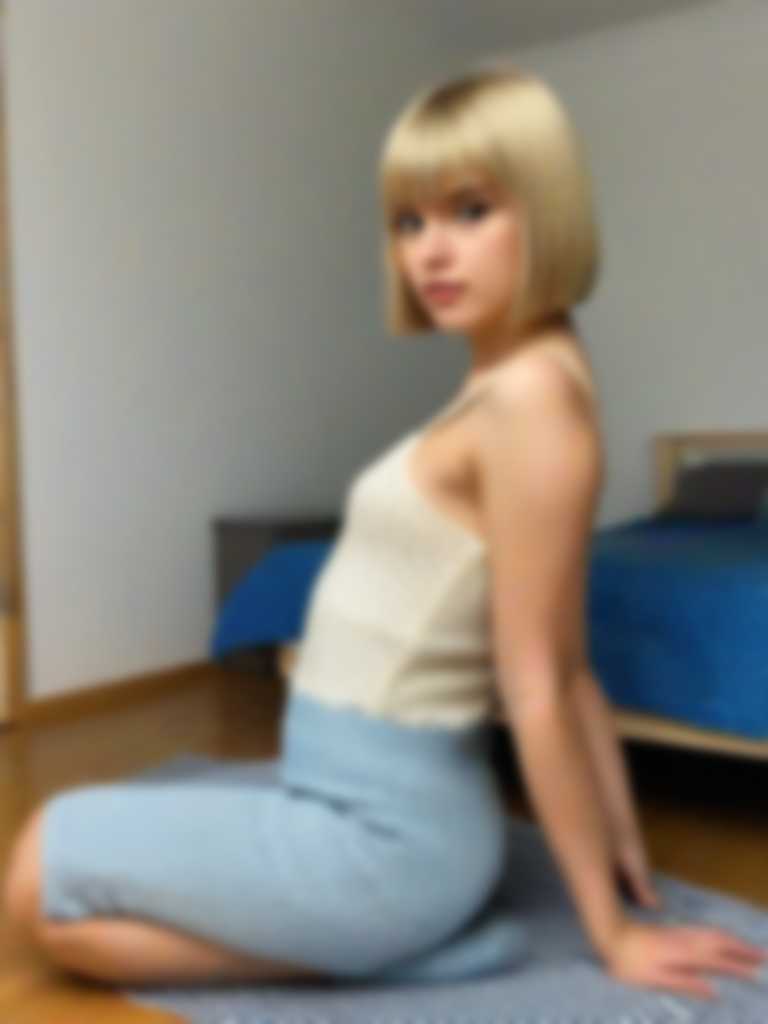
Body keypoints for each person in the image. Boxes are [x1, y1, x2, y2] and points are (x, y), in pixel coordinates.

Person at [4, 60, 767, 1002]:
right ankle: (380, 936)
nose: (431, 253)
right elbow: (574, 671)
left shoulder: (532, 403)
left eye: (470, 211)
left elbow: (540, 685)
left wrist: (613, 934)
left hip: (387, 843)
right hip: (360, 802)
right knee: (77, 865)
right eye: (410, 222)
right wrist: (626, 853)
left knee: (37, 875)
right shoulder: (518, 373)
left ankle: (384, 950)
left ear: (546, 207)